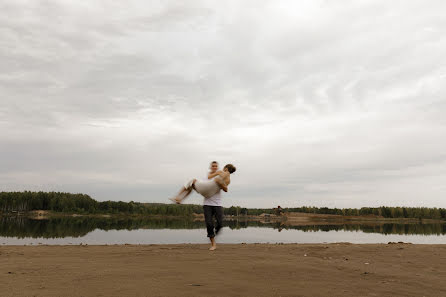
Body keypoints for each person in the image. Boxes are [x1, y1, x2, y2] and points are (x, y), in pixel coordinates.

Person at [169, 162, 236, 251]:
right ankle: (179, 198)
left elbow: (225, 188)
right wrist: (219, 179)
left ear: (226, 169)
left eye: (216, 166)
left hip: (217, 204)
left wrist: (221, 182)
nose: (214, 167)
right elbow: (208, 179)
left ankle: (216, 231)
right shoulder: (213, 175)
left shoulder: (223, 175)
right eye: (213, 166)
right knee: (209, 224)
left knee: (220, 223)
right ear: (210, 167)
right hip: (207, 203)